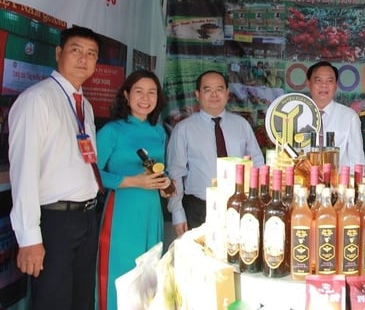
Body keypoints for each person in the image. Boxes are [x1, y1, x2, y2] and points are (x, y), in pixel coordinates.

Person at [9, 26, 102, 309]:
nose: (84, 59)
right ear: (59, 53)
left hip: (86, 217)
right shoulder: (37, 100)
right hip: (54, 222)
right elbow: (23, 172)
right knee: (53, 301)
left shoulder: (83, 104)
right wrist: (29, 239)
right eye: (76, 51)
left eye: (91, 54)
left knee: (81, 300)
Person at [96, 70, 173, 310]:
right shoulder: (112, 131)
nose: (145, 98)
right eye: (138, 91)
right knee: (122, 274)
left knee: (149, 276)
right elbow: (91, 173)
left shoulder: (159, 131)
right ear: (126, 96)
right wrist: (132, 181)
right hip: (122, 212)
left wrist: (166, 184)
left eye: (151, 92)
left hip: (152, 212)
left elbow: (161, 170)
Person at [167, 70, 265, 235]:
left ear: (227, 93)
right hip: (199, 210)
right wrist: (177, 213)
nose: (214, 95)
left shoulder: (241, 125)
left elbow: (258, 163)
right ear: (197, 94)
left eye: (219, 89)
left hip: (239, 207)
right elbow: (175, 173)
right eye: (207, 90)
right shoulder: (184, 129)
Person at [306, 61, 365, 170]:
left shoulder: (349, 117)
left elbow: (357, 161)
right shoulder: (297, 116)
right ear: (308, 84)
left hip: (337, 184)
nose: (324, 85)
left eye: (329, 81)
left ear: (336, 86)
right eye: (318, 80)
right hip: (301, 182)